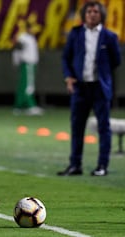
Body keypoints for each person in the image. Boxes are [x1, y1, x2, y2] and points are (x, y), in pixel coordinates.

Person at [57, 1, 121, 176]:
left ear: (101, 15)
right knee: (77, 127)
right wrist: (68, 76)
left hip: (100, 87)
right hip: (80, 88)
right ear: (84, 14)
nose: (92, 14)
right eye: (89, 11)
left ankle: (102, 166)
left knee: (104, 128)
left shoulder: (109, 36)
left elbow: (116, 60)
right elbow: (66, 58)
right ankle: (75, 165)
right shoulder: (75, 34)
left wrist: (103, 74)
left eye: (96, 12)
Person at [12, 22, 43, 116]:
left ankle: (19, 106)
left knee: (23, 85)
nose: (32, 30)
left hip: (31, 64)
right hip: (27, 64)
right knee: (28, 86)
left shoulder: (31, 38)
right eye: (31, 28)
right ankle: (31, 106)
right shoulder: (23, 37)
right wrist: (16, 61)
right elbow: (17, 49)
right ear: (27, 28)